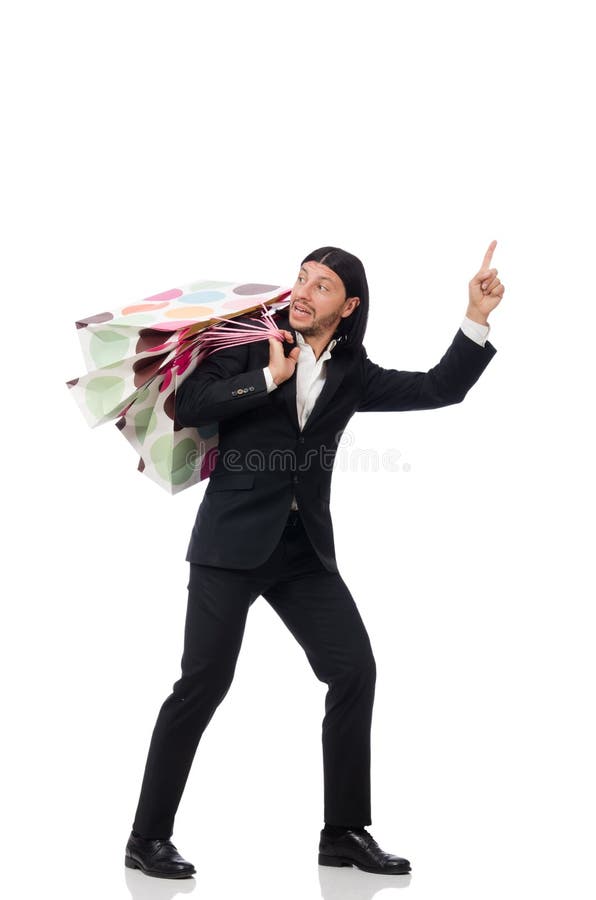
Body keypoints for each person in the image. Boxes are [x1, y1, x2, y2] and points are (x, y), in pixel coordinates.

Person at [124, 242, 504, 879]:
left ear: (348, 305)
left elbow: (440, 389)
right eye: (300, 278)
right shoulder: (249, 343)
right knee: (202, 686)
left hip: (304, 554)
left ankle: (345, 832)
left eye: (321, 285)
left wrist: (475, 318)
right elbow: (188, 406)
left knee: (354, 671)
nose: (302, 291)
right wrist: (267, 378)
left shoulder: (352, 371)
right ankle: (146, 837)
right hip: (230, 547)